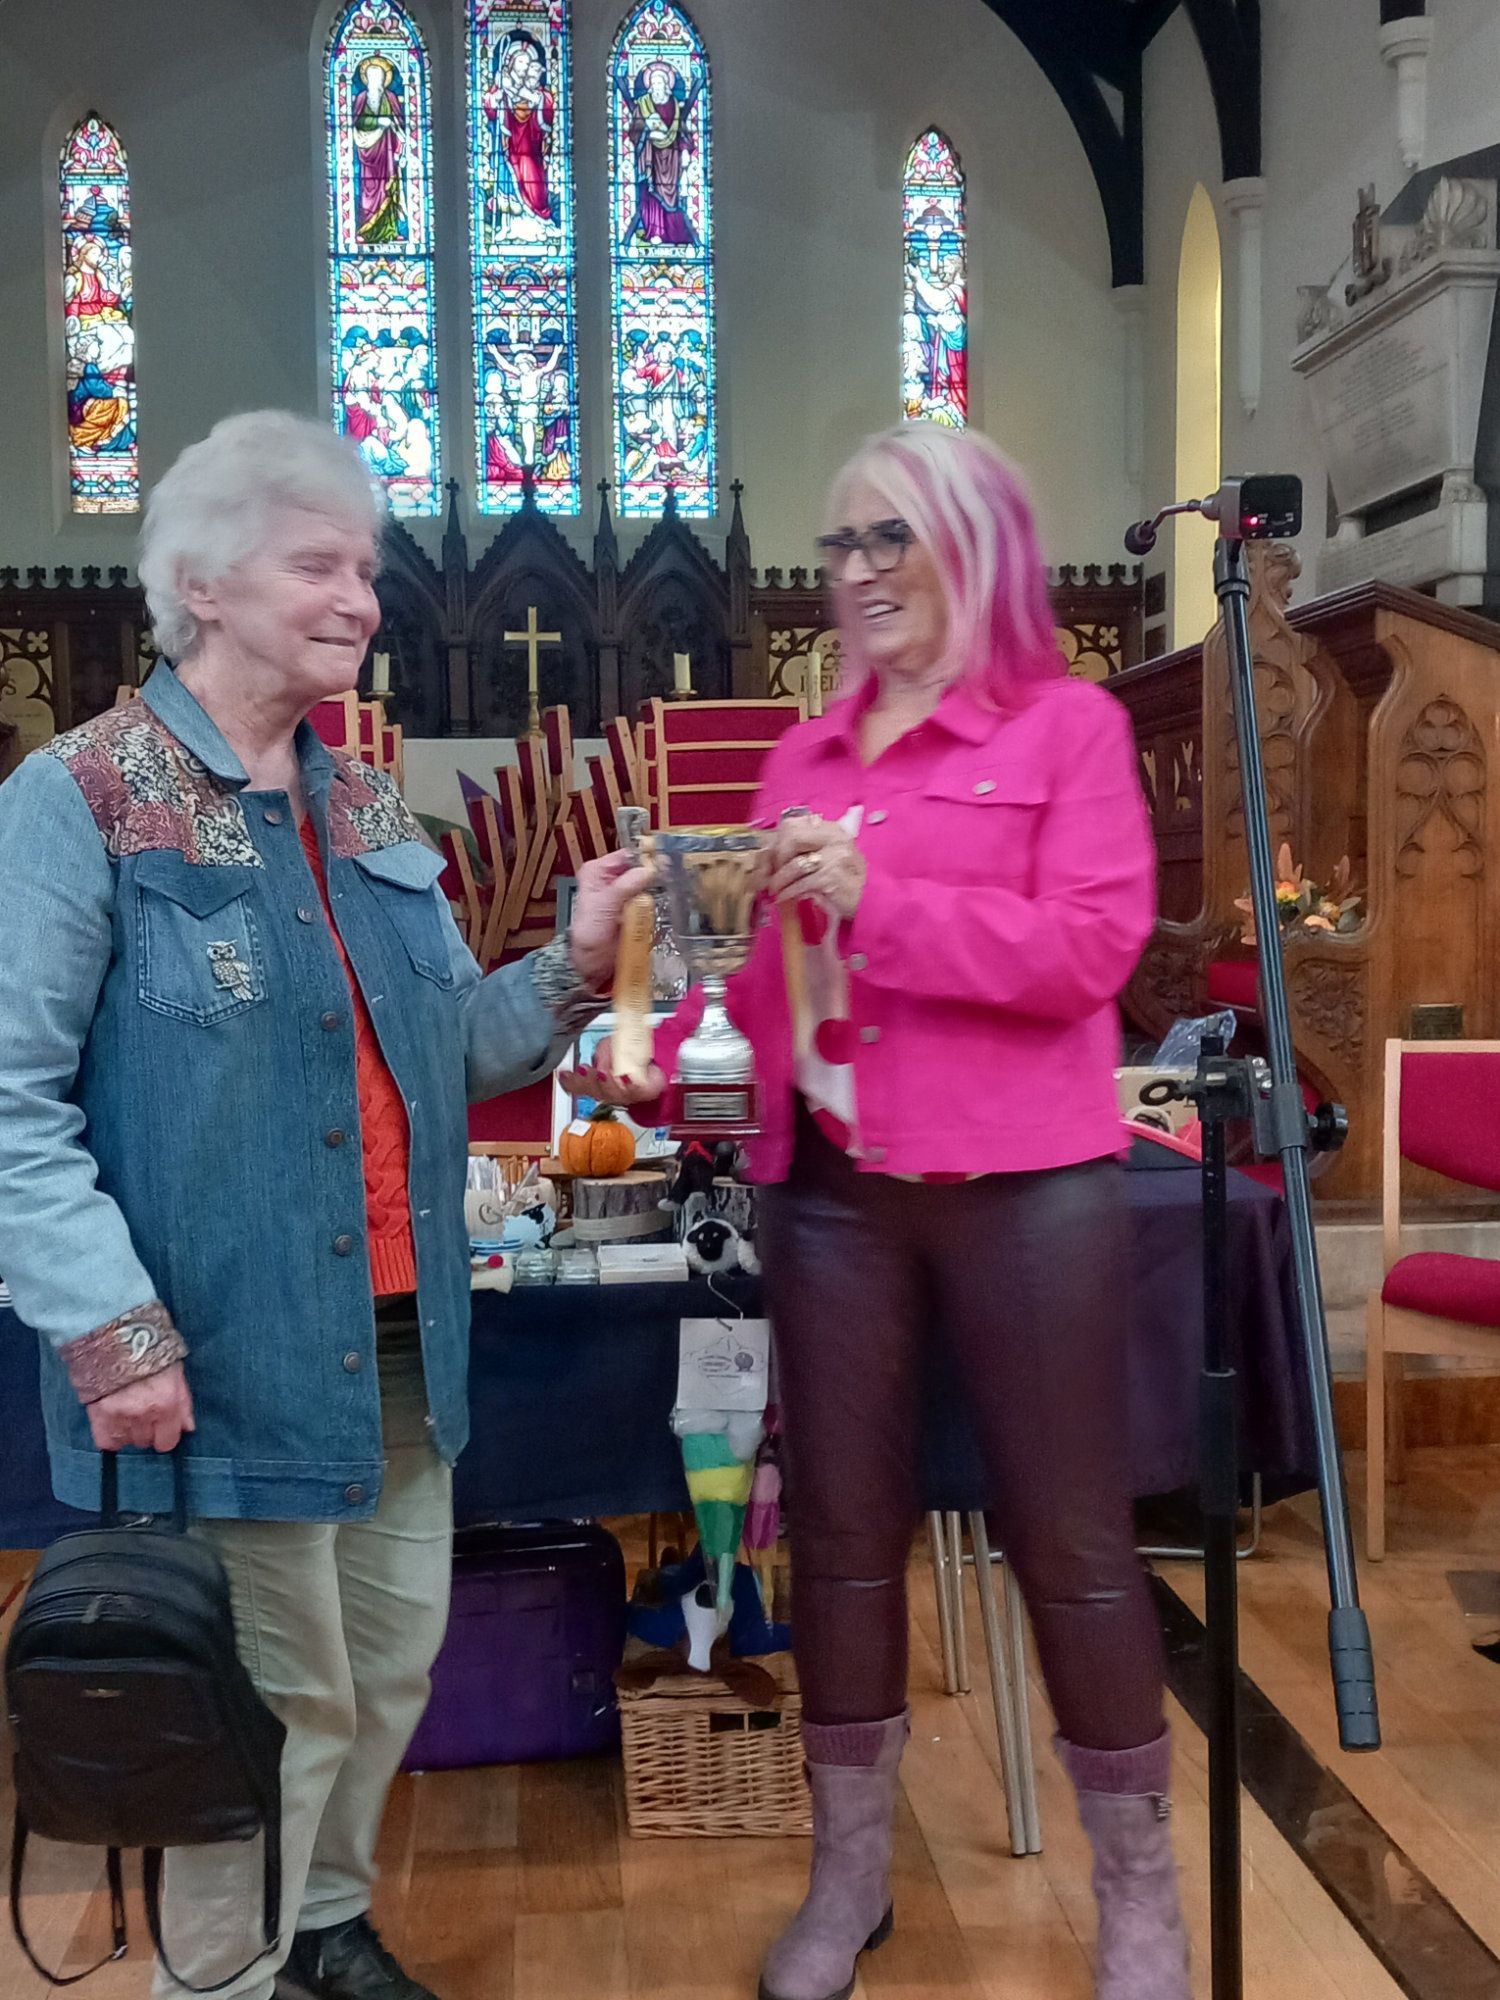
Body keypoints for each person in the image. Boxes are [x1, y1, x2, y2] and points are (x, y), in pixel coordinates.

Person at [0, 410, 649, 2000]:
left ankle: (323, 1930)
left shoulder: (364, 810)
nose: (359, 597)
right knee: (270, 1708)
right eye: (319, 565)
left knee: (386, 1675)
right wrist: (114, 1331)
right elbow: (8, 1104)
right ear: (205, 583)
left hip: (402, 1343)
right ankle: (217, 1980)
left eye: (364, 567)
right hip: (215, 1358)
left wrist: (570, 962)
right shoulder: (80, 798)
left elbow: (446, 1050)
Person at [569, 424, 1187, 2000]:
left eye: (887, 540)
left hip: (1027, 1190)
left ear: (976, 545)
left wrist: (883, 905)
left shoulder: (1066, 730)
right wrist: (654, 1063)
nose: (853, 576)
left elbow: (1089, 959)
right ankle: (845, 1877)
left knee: (1075, 1544)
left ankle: (1138, 1901)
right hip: (835, 1198)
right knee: (839, 1541)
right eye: (839, 547)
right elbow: (769, 1008)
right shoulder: (802, 758)